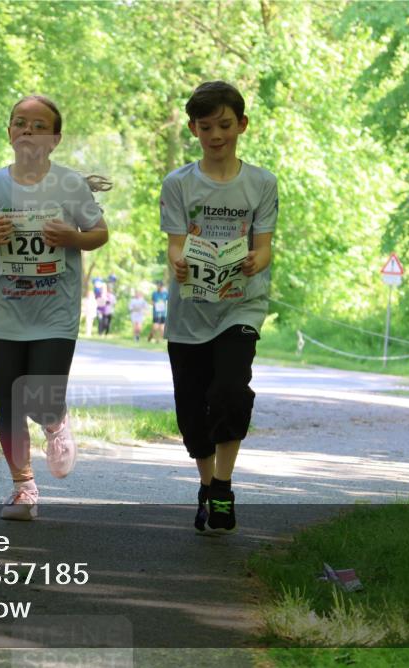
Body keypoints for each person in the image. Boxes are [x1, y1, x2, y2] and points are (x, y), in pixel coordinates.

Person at [0, 94, 110, 520]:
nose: (27, 129)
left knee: (41, 394)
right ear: (9, 133)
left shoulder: (68, 185)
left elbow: (98, 233)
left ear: (55, 139)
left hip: (55, 309)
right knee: (9, 399)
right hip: (6, 310)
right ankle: (23, 487)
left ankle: (55, 421)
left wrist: (72, 237)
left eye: (38, 124)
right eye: (19, 122)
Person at [160, 81, 278, 536]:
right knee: (192, 409)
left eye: (225, 125)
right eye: (206, 127)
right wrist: (180, 264)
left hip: (240, 307)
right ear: (193, 129)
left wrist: (254, 260)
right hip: (190, 314)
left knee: (229, 391)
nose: (216, 135)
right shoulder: (178, 184)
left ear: (241, 125)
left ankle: (224, 487)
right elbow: (174, 246)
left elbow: (265, 247)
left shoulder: (261, 183)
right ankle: (206, 486)